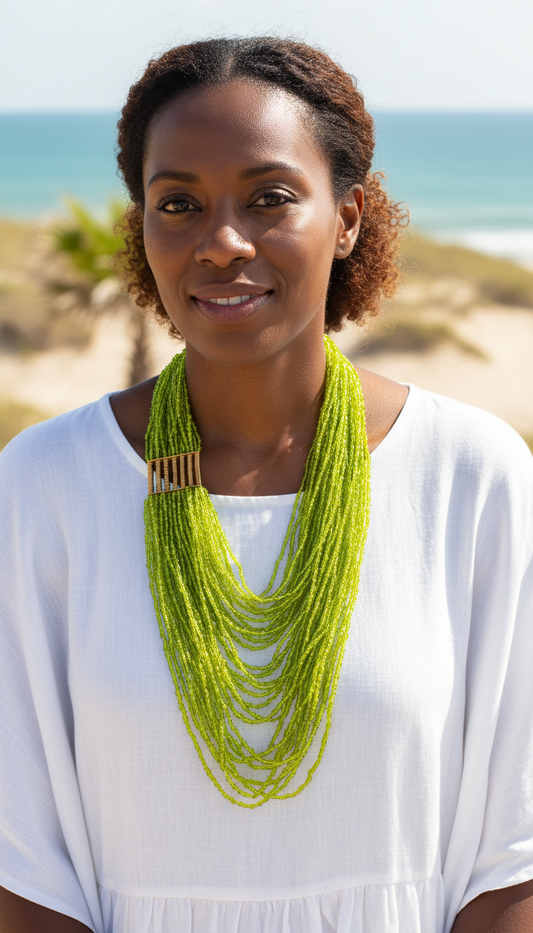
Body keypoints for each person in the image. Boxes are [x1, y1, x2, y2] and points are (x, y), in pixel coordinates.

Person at [1, 37, 532, 933]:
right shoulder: (44, 484)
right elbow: (23, 863)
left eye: (270, 197)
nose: (221, 242)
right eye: (178, 203)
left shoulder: (473, 474)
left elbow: (512, 859)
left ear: (349, 217)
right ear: (144, 227)